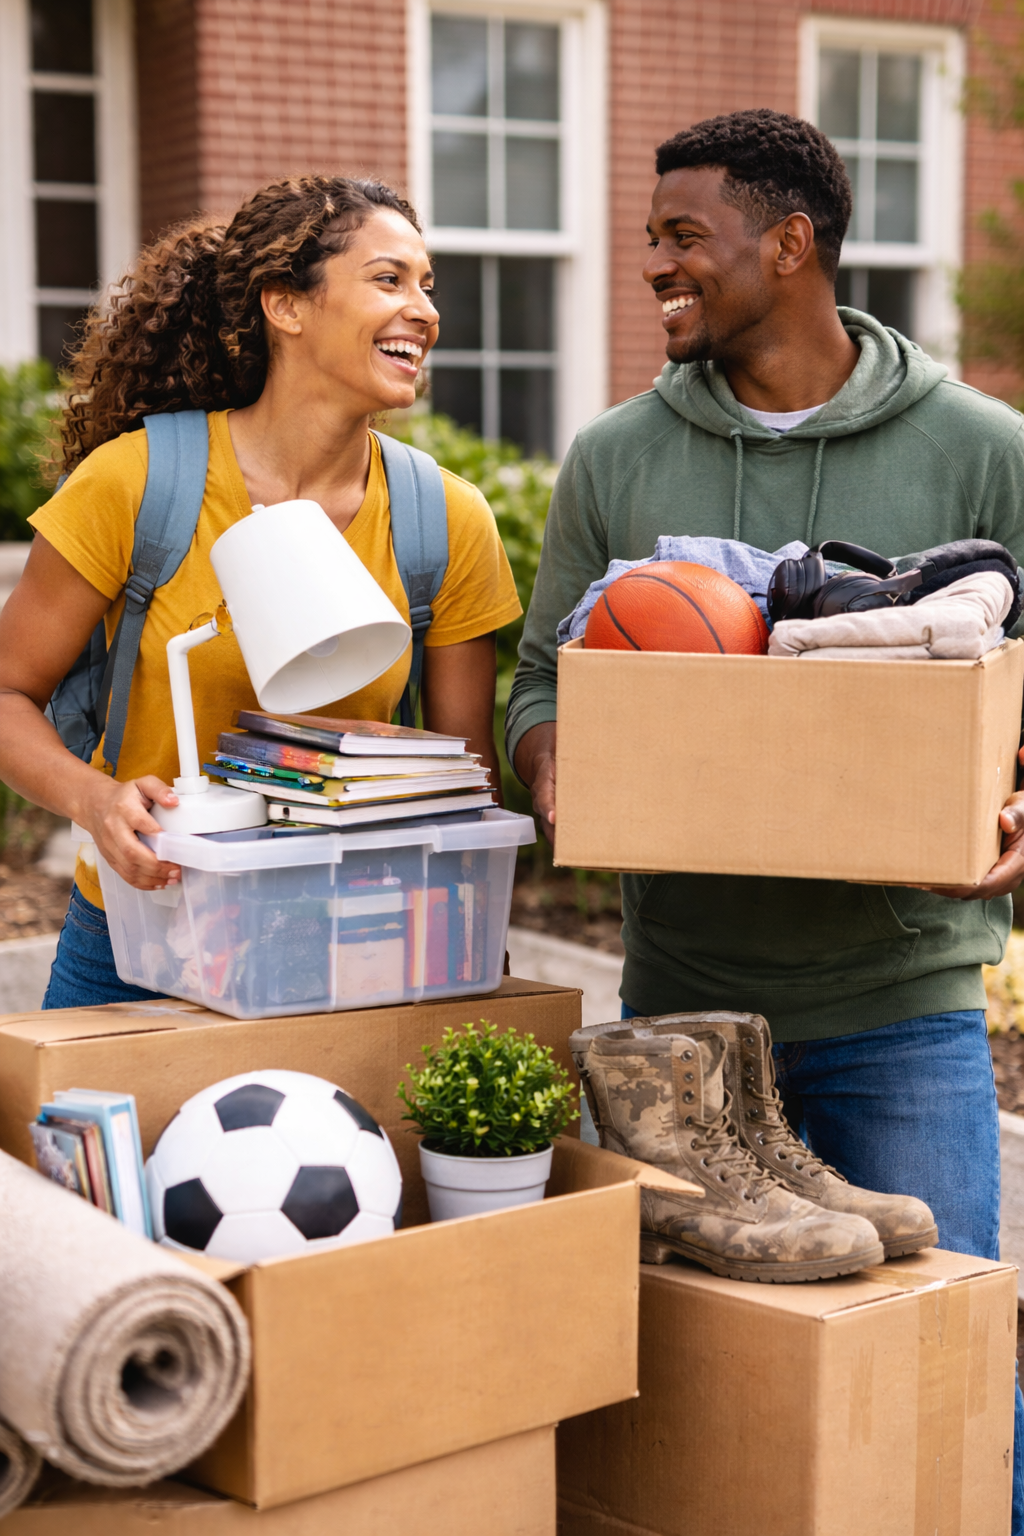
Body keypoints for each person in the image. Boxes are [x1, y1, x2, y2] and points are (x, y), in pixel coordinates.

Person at [507, 109, 1024, 1523]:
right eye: (651, 239)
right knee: (705, 1402)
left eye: (685, 238)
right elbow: (538, 675)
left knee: (942, 1374)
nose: (656, 268)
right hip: (682, 1019)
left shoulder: (984, 450)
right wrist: (552, 753)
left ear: (789, 244)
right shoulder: (618, 456)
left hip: (899, 1004)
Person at [0, 174, 521, 1009]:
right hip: (140, 932)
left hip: (353, 941)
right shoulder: (139, 485)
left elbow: (469, 788)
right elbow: (6, 692)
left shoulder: (444, 520)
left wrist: (468, 956)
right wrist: (95, 801)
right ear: (286, 306)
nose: (423, 309)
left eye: (428, 286)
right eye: (389, 279)